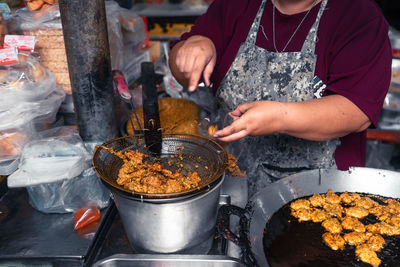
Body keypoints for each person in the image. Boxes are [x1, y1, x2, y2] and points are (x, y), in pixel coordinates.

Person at [169, 0, 392, 196]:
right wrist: (194, 47)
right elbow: (182, 70)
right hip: (230, 186)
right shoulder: (234, 5)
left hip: (320, 196)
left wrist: (279, 118)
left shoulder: (359, 16)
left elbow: (355, 111)